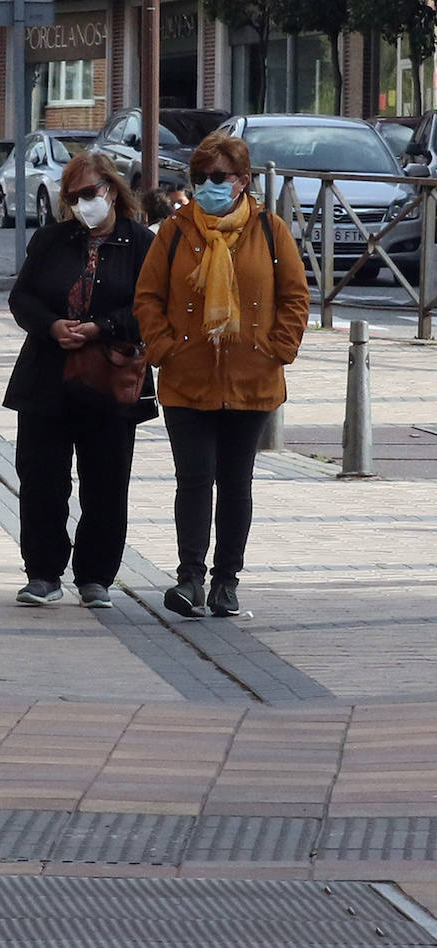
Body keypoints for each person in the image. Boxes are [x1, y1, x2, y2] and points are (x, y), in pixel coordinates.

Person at [134, 133, 309, 618]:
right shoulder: (175, 231)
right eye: (200, 178)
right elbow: (147, 296)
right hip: (187, 378)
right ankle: (189, 577)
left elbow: (295, 297)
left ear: (243, 181)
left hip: (251, 380)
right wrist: (165, 348)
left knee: (236, 482)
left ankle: (226, 582)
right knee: (193, 479)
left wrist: (276, 349)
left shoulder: (270, 229)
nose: (207, 187)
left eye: (218, 178)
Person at [2, 152, 157, 609]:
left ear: (112, 189)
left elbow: (150, 307)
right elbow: (22, 298)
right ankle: (43, 573)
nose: (82, 203)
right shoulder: (52, 240)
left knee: (107, 482)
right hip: (48, 375)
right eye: (73, 197)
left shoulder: (141, 242)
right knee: (41, 477)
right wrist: (52, 325)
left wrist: (102, 327)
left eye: (90, 193)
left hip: (111, 377)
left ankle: (95, 575)